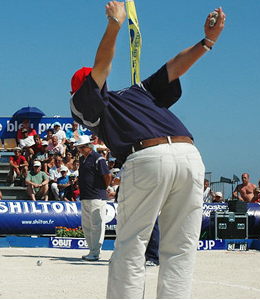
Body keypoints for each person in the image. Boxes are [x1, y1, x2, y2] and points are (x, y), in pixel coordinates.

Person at [70, 2, 225, 298]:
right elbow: (174, 67)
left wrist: (114, 24)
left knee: (131, 245)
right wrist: (208, 42)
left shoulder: (81, 104)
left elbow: (102, 67)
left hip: (147, 156)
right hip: (190, 153)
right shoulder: (138, 91)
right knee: (180, 248)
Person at [74, 135, 111, 261]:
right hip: (85, 196)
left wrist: (102, 189)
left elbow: (107, 175)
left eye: (81, 147)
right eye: (79, 148)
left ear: (88, 147)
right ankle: (91, 250)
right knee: (87, 225)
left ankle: (95, 252)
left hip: (96, 196)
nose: (79, 150)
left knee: (96, 225)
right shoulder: (82, 159)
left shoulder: (98, 158)